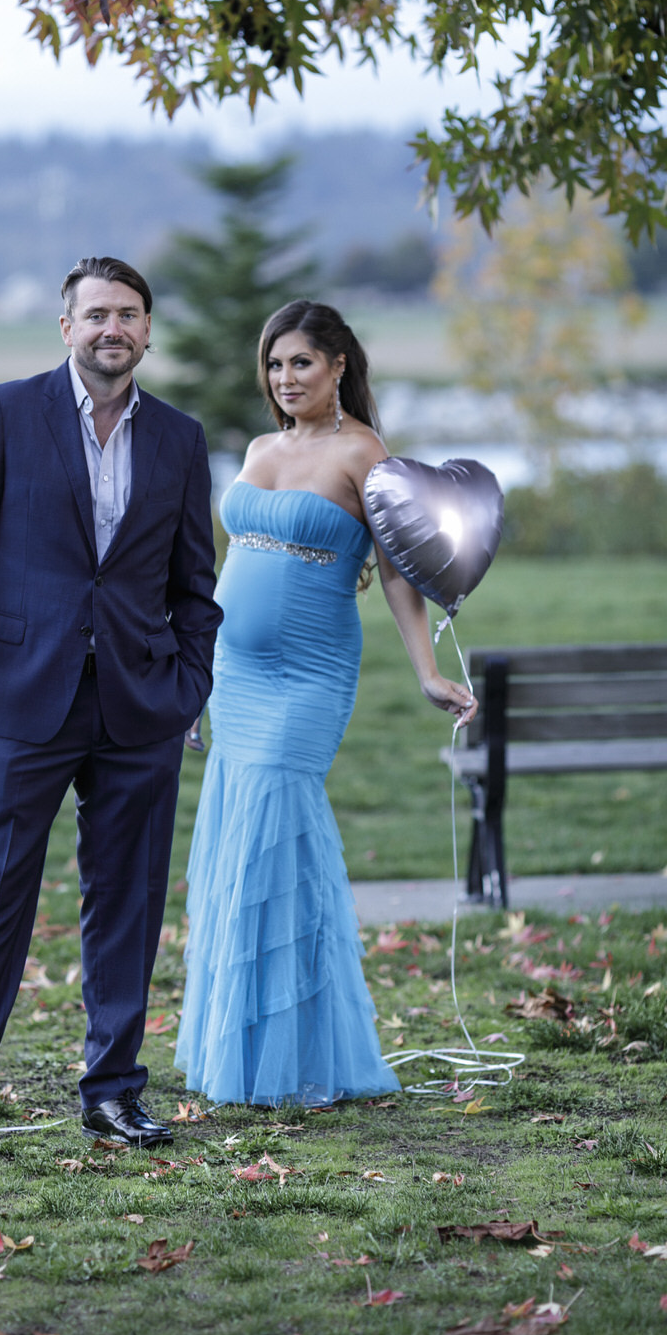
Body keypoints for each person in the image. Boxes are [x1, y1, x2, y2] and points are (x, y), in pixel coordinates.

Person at [0, 256, 222, 1165]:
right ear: (66, 327)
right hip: (24, 696)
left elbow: (193, 584)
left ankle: (113, 1093)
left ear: (147, 330)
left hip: (140, 704)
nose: (112, 328)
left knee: (127, 902)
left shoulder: (179, 437)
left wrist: (189, 684)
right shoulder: (5, 413)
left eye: (128, 313)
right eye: (96, 314)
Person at [174, 300, 476, 1108]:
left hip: (308, 673)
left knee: (276, 835)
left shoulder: (364, 453)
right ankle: (243, 1050)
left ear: (338, 365)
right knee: (238, 842)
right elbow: (225, 567)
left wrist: (426, 672)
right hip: (233, 672)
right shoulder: (259, 448)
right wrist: (192, 675)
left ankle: (302, 1051)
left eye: (300, 362)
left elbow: (400, 573)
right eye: (274, 365)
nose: (285, 378)